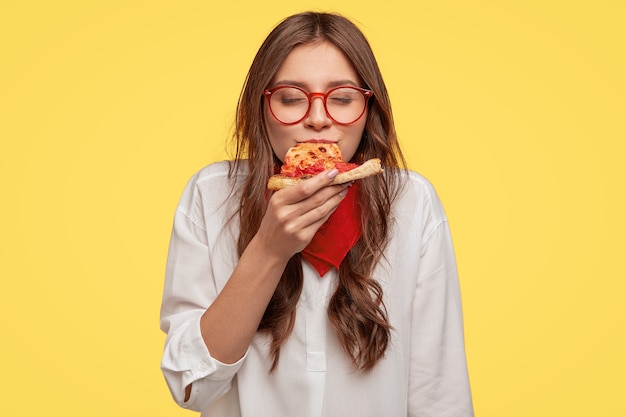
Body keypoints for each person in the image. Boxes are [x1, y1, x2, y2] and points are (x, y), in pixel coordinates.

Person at [160, 11, 474, 417]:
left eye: (342, 98)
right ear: (262, 106)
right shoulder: (211, 195)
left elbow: (439, 394)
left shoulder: (411, 201)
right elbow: (190, 386)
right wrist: (269, 251)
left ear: (368, 108)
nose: (319, 118)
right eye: (291, 98)